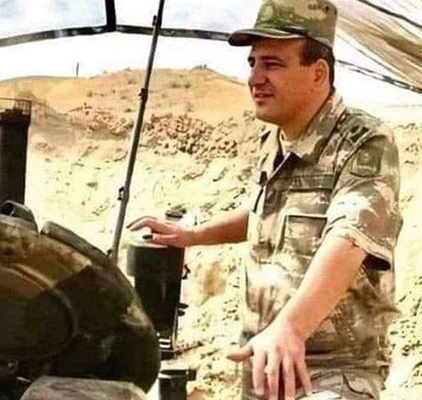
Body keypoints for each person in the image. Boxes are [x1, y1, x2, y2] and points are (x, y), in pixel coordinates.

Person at [129, 0, 403, 398]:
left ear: (318, 73)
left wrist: (290, 327)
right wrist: (193, 235)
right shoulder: (274, 141)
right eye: (252, 63)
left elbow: (349, 238)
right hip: (264, 364)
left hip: (331, 371)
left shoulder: (364, 141)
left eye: (272, 64)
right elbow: (265, 213)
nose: (255, 78)